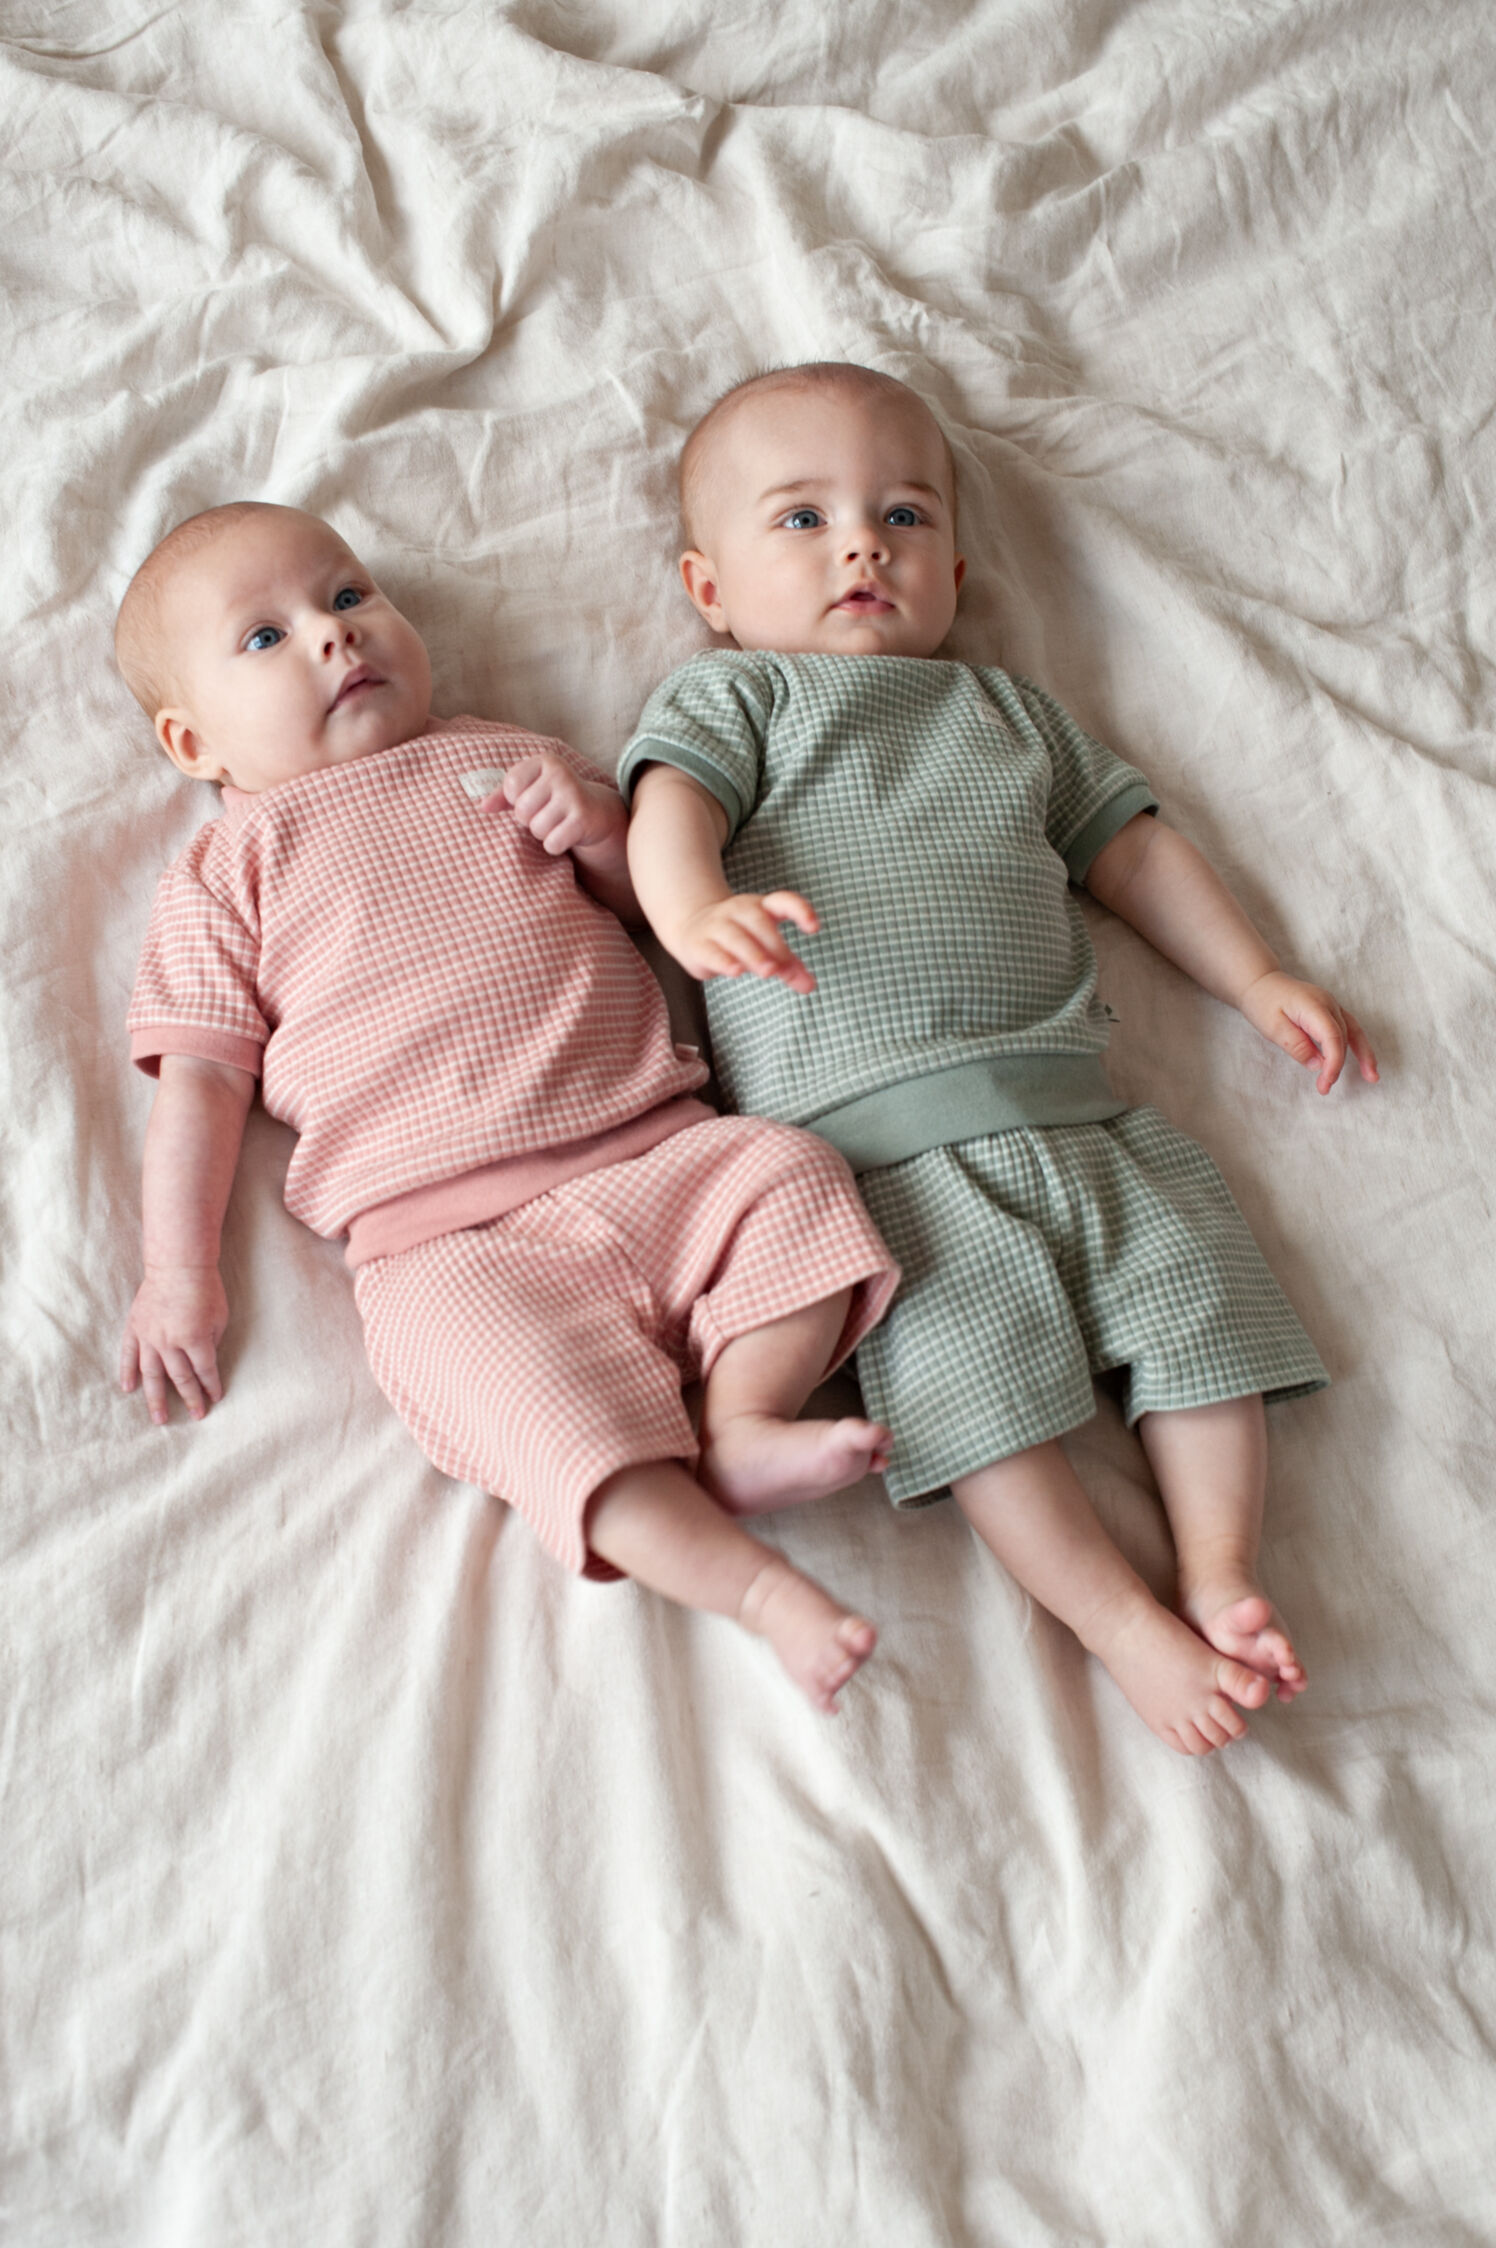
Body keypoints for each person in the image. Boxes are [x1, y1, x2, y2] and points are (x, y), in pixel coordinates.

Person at [620, 363, 1380, 1757]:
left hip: (1084, 1113)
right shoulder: (740, 696)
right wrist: (691, 911)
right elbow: (667, 814)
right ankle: (1118, 1623)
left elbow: (1134, 854)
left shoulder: (1008, 713)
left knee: (1203, 1314)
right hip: (879, 1164)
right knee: (979, 1407)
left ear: (957, 572)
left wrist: (1254, 975)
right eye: (802, 519)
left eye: (903, 516)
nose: (863, 546)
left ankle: (1220, 1570)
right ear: (707, 586)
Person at [114, 501, 903, 1713]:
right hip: (449, 1246)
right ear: (192, 741)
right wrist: (180, 1274)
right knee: (536, 1409)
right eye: (265, 638)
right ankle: (754, 1591)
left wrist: (598, 831)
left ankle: (746, 1417)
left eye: (348, 595)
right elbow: (204, 1084)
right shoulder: (224, 875)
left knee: (791, 1173)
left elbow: (646, 906)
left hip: (657, 1153)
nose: (333, 635)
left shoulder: (501, 756)